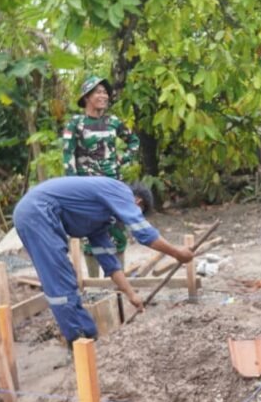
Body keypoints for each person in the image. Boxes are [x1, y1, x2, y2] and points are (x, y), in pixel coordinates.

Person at [13, 177, 193, 343]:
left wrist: (131, 295)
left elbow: (110, 263)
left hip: (36, 213)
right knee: (60, 281)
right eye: (138, 211)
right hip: (37, 212)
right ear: (138, 202)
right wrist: (177, 253)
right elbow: (143, 232)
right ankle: (79, 341)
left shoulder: (98, 220)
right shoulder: (121, 192)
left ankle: (87, 336)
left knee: (62, 279)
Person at [62, 75, 141, 277]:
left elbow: (134, 142)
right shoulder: (75, 124)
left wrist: (121, 161)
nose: (103, 95)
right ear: (87, 97)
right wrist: (73, 188)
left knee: (118, 232)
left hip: (113, 186)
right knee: (90, 234)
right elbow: (68, 157)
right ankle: (94, 286)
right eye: (98, 91)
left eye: (105, 92)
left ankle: (118, 285)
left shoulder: (113, 121)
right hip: (87, 189)